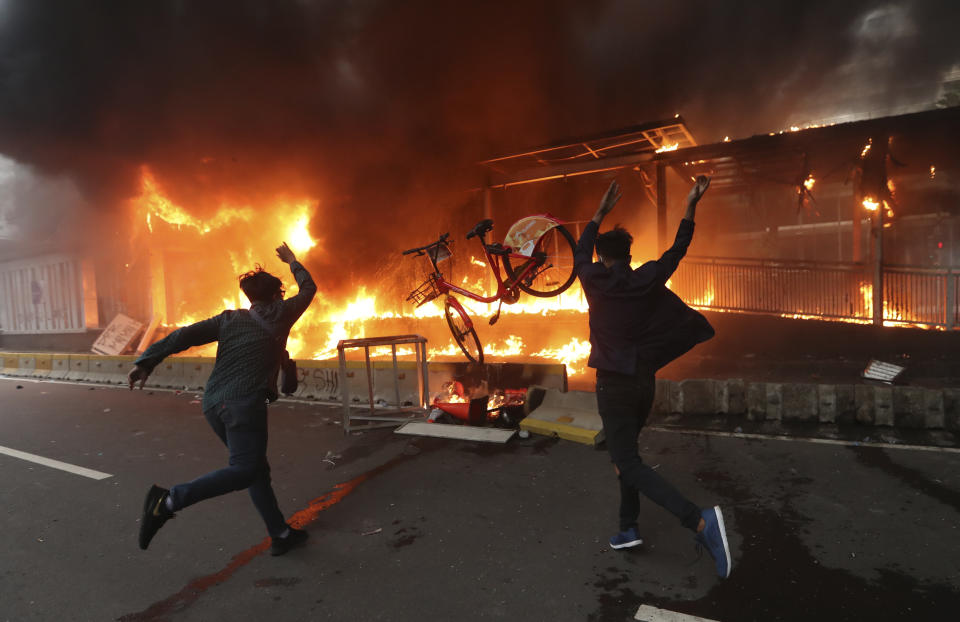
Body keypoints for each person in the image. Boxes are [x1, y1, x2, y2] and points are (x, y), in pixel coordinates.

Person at [574, 175, 732, 578]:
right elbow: (678, 249)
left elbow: (580, 252)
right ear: (629, 254)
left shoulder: (593, 279)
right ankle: (628, 527)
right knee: (624, 457)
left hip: (613, 384)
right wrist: (690, 205)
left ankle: (699, 521)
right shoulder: (646, 277)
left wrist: (600, 212)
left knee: (625, 460)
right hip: (644, 383)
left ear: (601, 256)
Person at [128, 242, 317, 556]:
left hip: (214, 404)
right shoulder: (281, 313)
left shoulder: (229, 319)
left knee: (256, 470)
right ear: (276, 295)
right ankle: (169, 501)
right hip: (244, 406)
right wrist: (293, 261)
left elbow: (183, 335)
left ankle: (280, 534)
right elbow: (309, 287)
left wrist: (147, 361)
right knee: (244, 470)